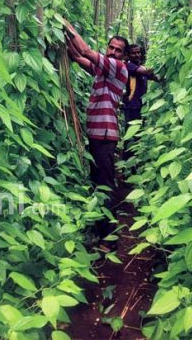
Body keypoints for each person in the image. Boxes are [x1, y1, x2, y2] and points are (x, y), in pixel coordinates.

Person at [64, 21, 129, 238]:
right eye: (111, 47)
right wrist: (63, 41)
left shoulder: (118, 68)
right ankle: (100, 231)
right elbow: (77, 56)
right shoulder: (103, 71)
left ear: (124, 57)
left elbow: (84, 50)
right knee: (98, 184)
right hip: (97, 136)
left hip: (105, 137)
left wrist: (67, 26)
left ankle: (109, 238)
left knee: (105, 186)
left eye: (118, 50)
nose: (113, 52)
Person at [123, 44, 159, 126]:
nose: (137, 55)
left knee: (141, 129)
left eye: (138, 52)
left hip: (142, 105)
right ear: (128, 55)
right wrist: (160, 67)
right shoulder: (129, 66)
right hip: (132, 105)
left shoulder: (142, 67)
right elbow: (146, 73)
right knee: (132, 130)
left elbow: (153, 77)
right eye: (133, 53)